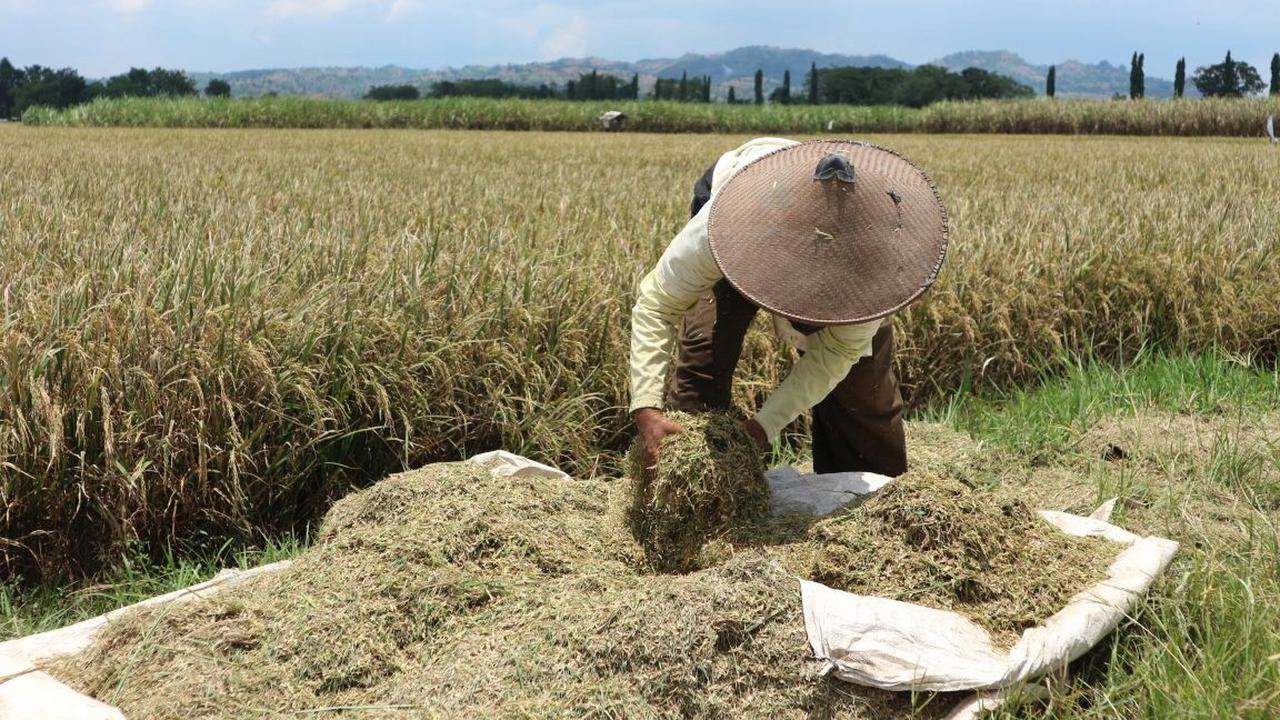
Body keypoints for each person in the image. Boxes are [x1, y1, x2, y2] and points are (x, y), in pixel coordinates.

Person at [628, 137, 948, 475]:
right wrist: (646, 408)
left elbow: (836, 355)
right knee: (704, 360)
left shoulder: (878, 267)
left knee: (863, 387)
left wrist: (765, 426)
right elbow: (658, 303)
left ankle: (870, 499)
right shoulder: (722, 229)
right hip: (748, 215)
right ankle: (685, 491)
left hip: (843, 244)